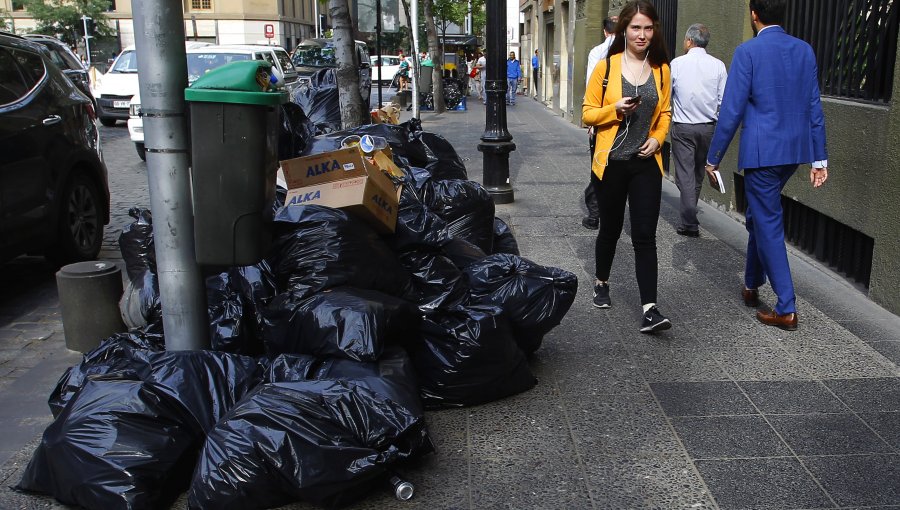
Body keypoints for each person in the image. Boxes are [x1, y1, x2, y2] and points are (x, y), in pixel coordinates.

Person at [705, 0, 828, 331]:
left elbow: (731, 110)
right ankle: (750, 284)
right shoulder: (804, 50)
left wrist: (713, 157)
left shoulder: (748, 52)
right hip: (794, 152)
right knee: (759, 217)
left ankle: (786, 307)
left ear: (754, 15)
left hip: (763, 154)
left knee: (768, 222)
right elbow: (813, 105)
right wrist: (819, 158)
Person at [582, 0, 672, 333]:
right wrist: (615, 110)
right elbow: (587, 113)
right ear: (624, 30)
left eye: (648, 28)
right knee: (610, 227)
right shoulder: (606, 68)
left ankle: (650, 308)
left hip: (646, 163)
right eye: (636, 27)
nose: (642, 34)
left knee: (645, 235)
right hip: (612, 163)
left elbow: (664, 113)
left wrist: (659, 139)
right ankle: (601, 280)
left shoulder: (662, 69)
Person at [670, 23, 727, 237]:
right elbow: (724, 100)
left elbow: (667, 95)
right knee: (697, 173)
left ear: (688, 41)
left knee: (684, 175)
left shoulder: (677, 64)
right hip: (708, 128)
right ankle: (689, 215)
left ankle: (689, 220)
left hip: (683, 127)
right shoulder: (718, 65)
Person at [582, 16, 618, 230]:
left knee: (599, 166)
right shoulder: (630, 52)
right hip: (625, 121)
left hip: (602, 119)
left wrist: (591, 121)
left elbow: (591, 88)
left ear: (605, 32)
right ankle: (613, 212)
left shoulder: (597, 53)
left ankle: (595, 214)